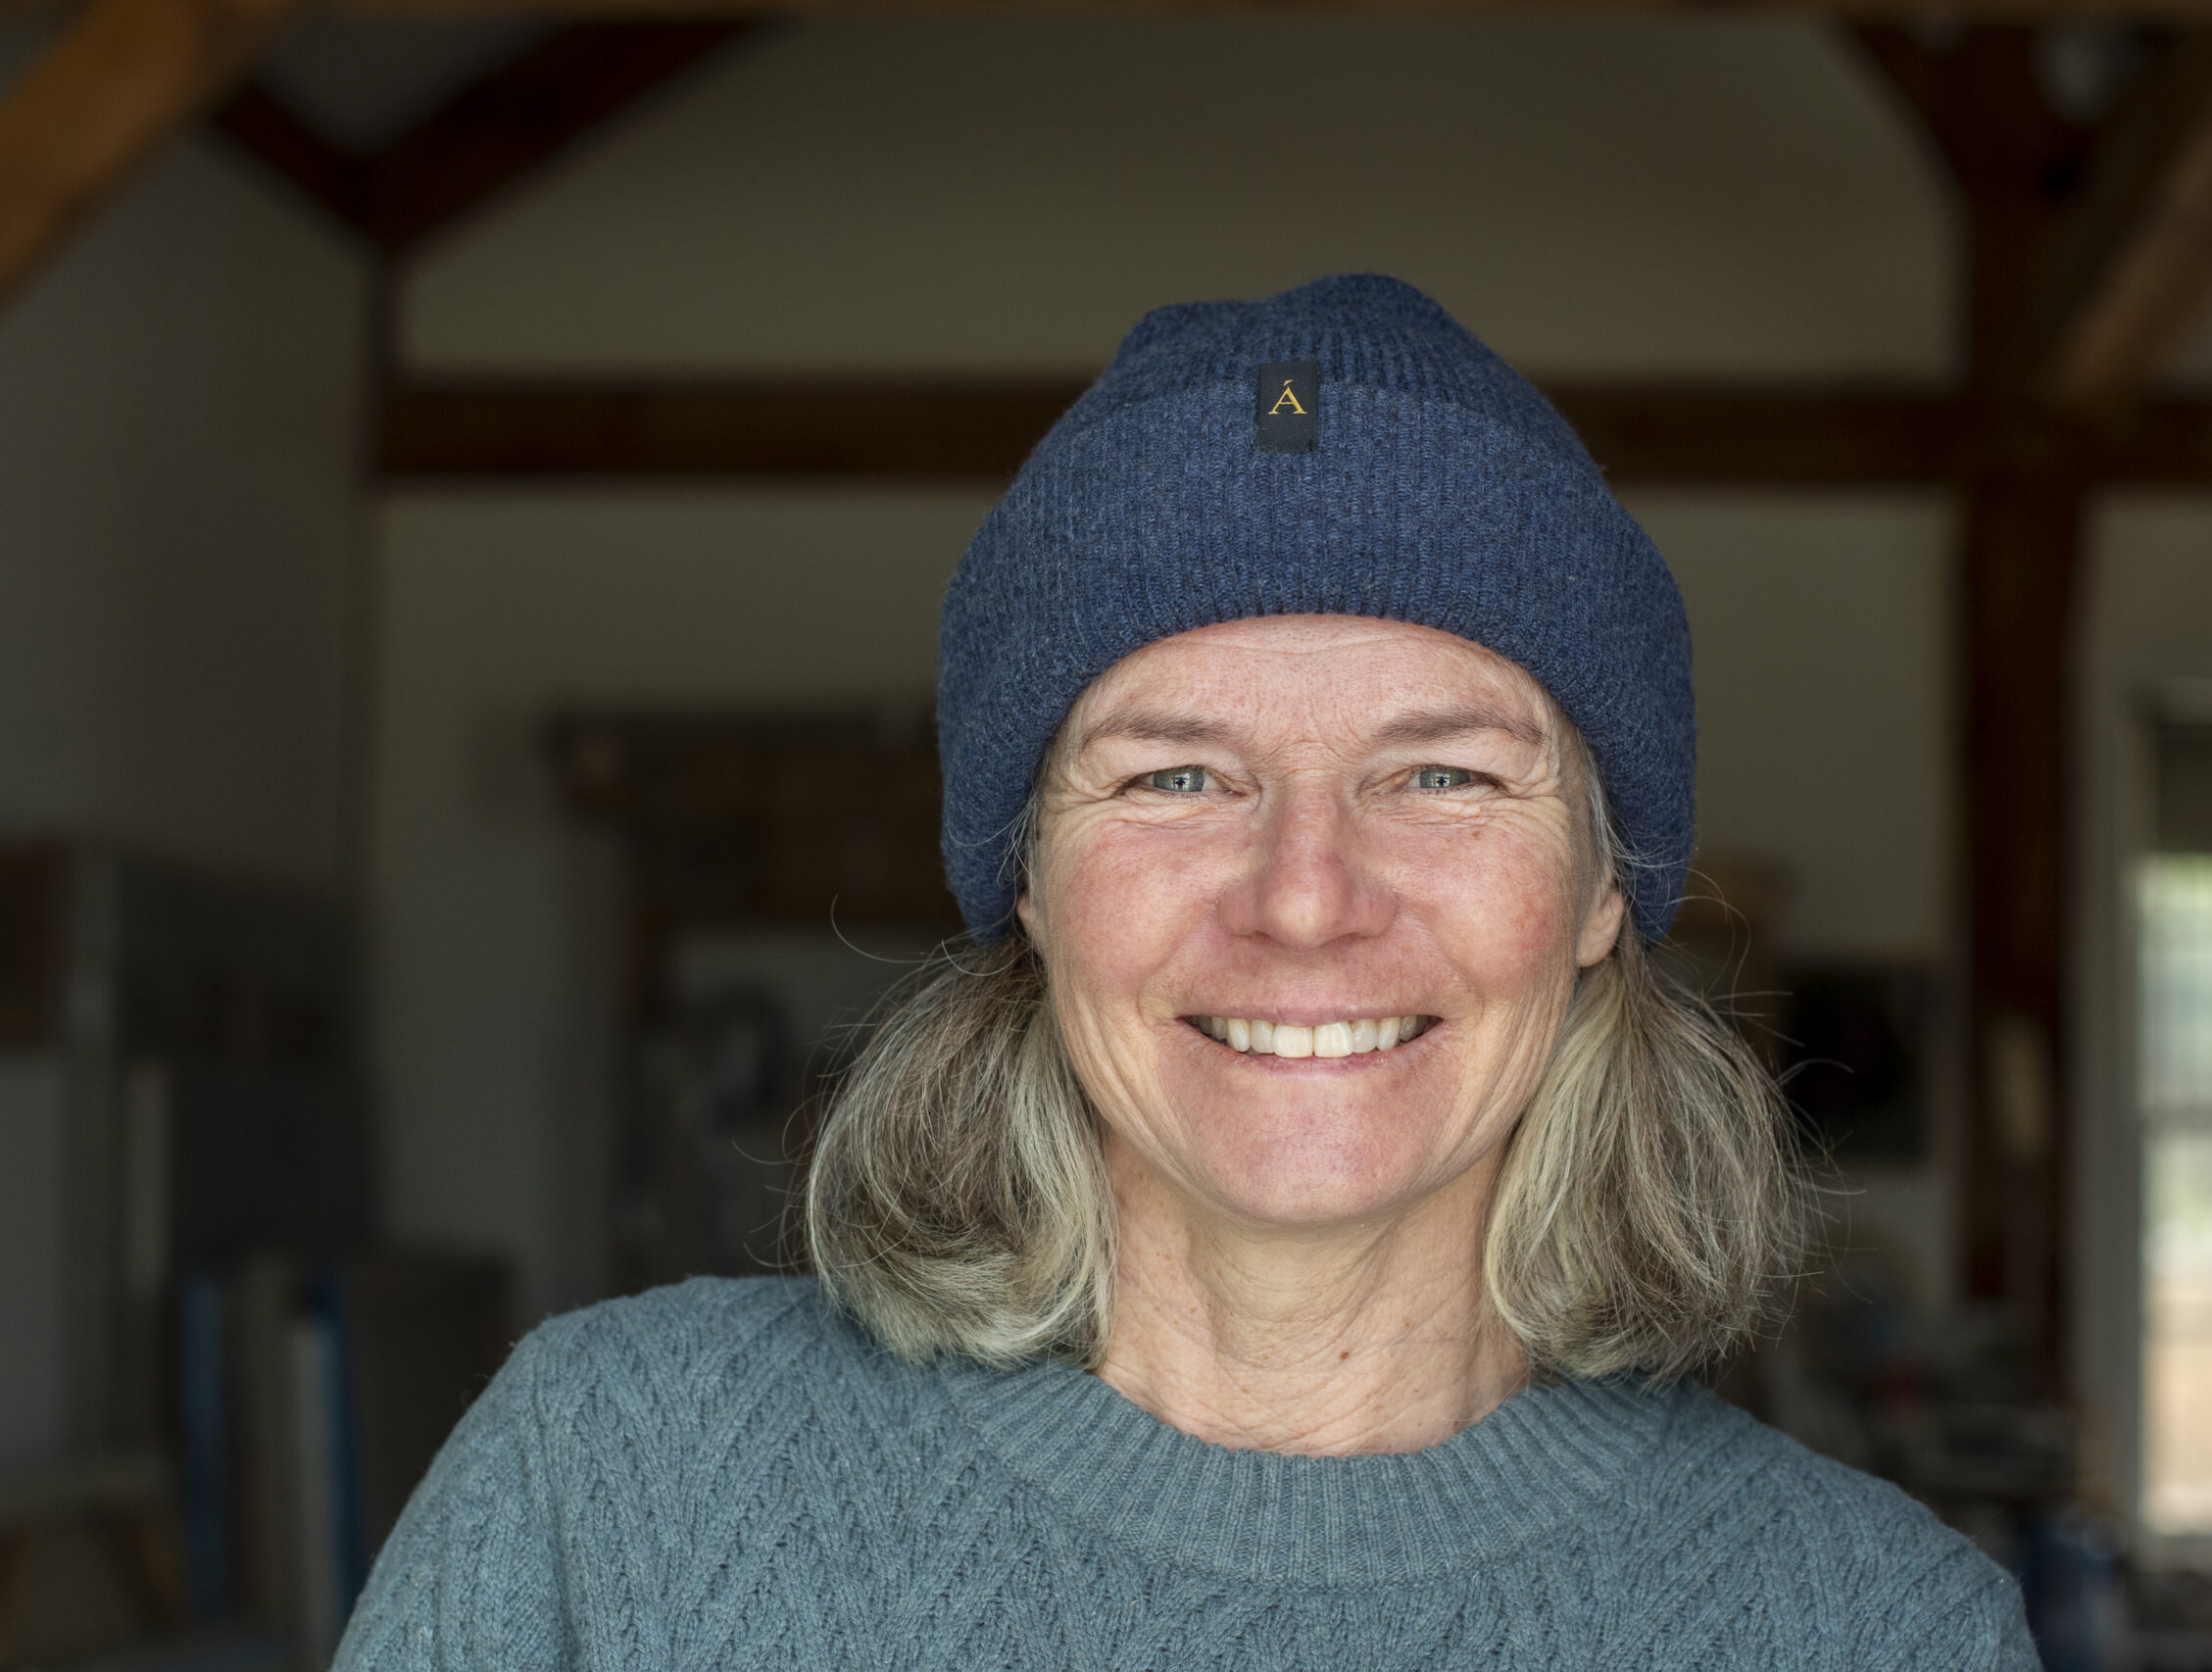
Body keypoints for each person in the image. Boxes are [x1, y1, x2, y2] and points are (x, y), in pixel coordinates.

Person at [336, 274, 2035, 1669]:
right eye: (1175, 776)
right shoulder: (612, 1491)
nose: (1305, 900)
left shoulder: (1875, 1631)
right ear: (1028, 877)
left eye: (1440, 773)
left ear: (1603, 885)